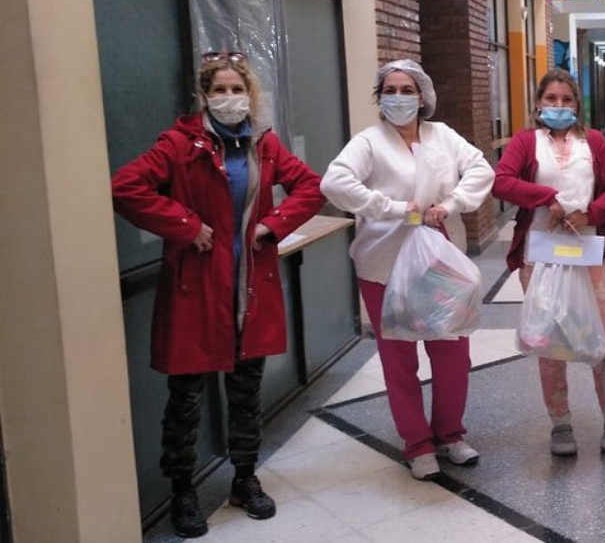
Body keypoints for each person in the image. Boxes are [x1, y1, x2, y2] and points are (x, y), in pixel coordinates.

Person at [111, 51, 324, 538]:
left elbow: (310, 187)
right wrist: (186, 226)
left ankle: (244, 479)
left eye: (236, 89)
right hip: (197, 289)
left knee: (245, 393)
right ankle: (182, 490)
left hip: (250, 287)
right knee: (185, 397)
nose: (229, 99)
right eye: (219, 90)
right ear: (203, 97)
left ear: (250, 95)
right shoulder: (179, 144)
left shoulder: (264, 145)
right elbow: (126, 187)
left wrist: (272, 225)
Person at [321, 59, 495, 481]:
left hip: (437, 261)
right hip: (384, 264)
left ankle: (450, 434)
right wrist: (393, 209)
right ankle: (417, 444)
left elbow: (481, 170)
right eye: (390, 90)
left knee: (452, 352)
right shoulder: (369, 141)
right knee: (399, 359)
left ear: (423, 96)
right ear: (379, 98)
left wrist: (449, 205)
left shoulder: (442, 136)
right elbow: (335, 183)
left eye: (407, 90)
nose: (398, 98)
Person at [492, 69, 605, 457]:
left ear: (577, 105)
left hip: (587, 254)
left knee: (601, 336)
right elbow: (502, 181)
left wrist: (591, 213)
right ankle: (561, 423)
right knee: (549, 339)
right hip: (540, 257)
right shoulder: (525, 142)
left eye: (566, 100)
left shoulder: (594, 142)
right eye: (551, 99)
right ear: (538, 103)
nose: (558, 106)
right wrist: (546, 197)